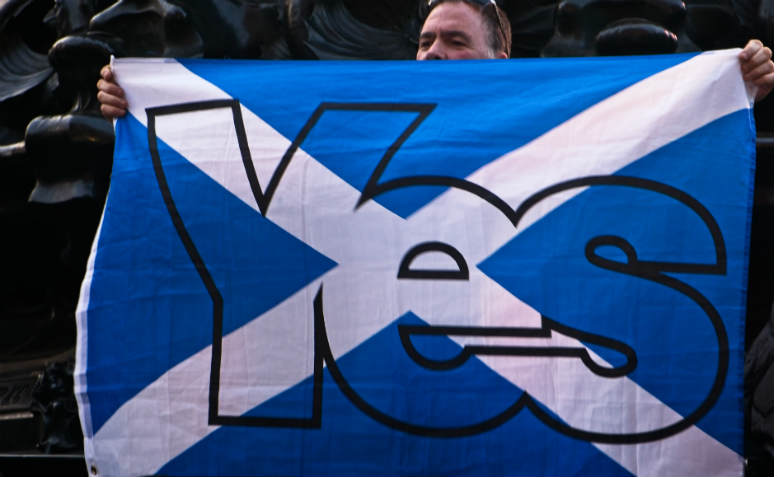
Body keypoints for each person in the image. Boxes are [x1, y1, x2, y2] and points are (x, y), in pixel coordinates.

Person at [96, 0, 774, 119]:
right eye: (425, 42)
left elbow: (646, 125)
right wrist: (150, 105)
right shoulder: (361, 114)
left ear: (500, 55)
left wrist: (735, 85)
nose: (434, 54)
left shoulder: (556, 116)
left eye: (454, 41)